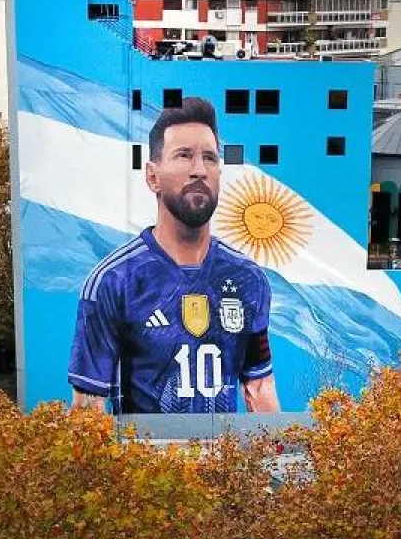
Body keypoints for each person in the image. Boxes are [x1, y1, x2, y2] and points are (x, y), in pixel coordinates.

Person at [68, 97, 279, 414]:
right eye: (184, 156)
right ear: (153, 176)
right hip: (146, 462)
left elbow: (259, 388)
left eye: (209, 158)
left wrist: (274, 458)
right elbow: (87, 411)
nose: (199, 170)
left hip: (224, 461)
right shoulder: (113, 282)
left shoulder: (248, 279)